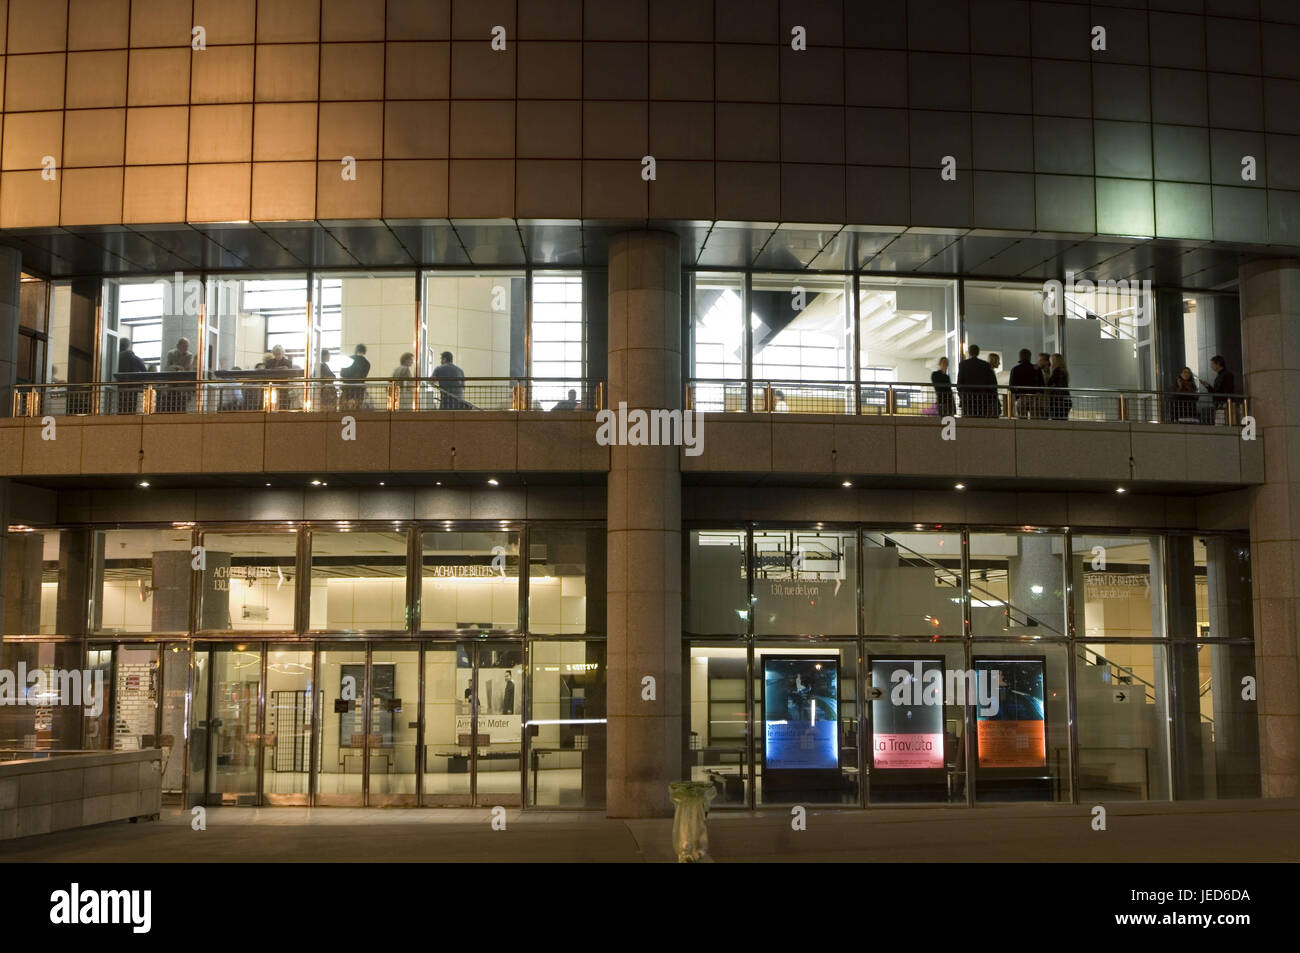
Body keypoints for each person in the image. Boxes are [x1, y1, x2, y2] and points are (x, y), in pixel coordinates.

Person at [957, 344, 998, 417]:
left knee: (967, 421)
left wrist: (961, 394)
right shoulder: (985, 365)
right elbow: (990, 382)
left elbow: (960, 382)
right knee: (980, 421)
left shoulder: (963, 364)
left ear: (969, 352)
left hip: (967, 398)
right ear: (978, 353)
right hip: (982, 399)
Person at [1008, 348, 1040, 418]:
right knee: (1035, 419)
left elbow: (1011, 386)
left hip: (1021, 397)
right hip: (1034, 398)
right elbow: (1041, 384)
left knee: (1022, 420)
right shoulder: (1036, 368)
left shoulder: (1015, 369)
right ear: (1030, 356)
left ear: (1020, 357)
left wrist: (1016, 396)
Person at [117, 338, 146, 413]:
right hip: (132, 386)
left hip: (119, 386)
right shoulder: (133, 357)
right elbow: (144, 371)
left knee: (120, 406)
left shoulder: (115, 357)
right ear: (128, 346)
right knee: (131, 407)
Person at [339, 343, 370, 410]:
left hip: (347, 388)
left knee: (344, 409)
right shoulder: (367, 363)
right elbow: (363, 376)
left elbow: (342, 373)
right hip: (359, 390)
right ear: (364, 351)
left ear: (356, 350)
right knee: (357, 409)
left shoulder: (348, 359)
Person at [1206, 355, 1236, 423]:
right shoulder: (1220, 375)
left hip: (1224, 404)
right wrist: (1208, 386)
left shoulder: (1226, 375)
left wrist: (1223, 401)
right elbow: (1217, 392)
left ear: (1218, 364)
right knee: (1221, 424)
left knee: (1222, 424)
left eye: (1212, 364)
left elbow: (1226, 391)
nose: (1211, 366)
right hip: (1221, 404)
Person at [1046, 353, 1071, 420]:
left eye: (1051, 361)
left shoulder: (1057, 371)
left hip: (1057, 402)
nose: (1050, 364)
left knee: (1056, 422)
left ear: (1055, 361)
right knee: (1063, 421)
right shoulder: (1064, 371)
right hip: (1065, 400)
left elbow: (1048, 384)